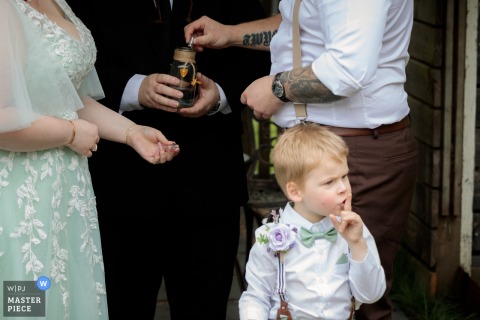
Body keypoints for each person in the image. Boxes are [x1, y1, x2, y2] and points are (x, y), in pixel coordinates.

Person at [184, 0, 419, 319]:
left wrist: (276, 88)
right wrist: (231, 34)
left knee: (360, 305)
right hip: (317, 147)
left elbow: (347, 70)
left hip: (354, 151)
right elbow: (301, 23)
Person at [66, 0, 272, 319]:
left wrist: (221, 94)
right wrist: (134, 89)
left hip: (211, 183)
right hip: (119, 187)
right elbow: (69, 67)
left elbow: (265, 51)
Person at [0, 0, 179, 319]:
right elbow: (2, 117)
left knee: (65, 297)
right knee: (26, 304)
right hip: (20, 197)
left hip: (65, 192)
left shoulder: (58, 3)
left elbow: (64, 95)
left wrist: (131, 132)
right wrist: (69, 132)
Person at [240, 123, 386, 320]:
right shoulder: (270, 237)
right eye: (329, 182)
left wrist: (357, 244)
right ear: (295, 191)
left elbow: (370, 295)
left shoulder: (355, 232)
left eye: (344, 176)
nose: (343, 187)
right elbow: (256, 297)